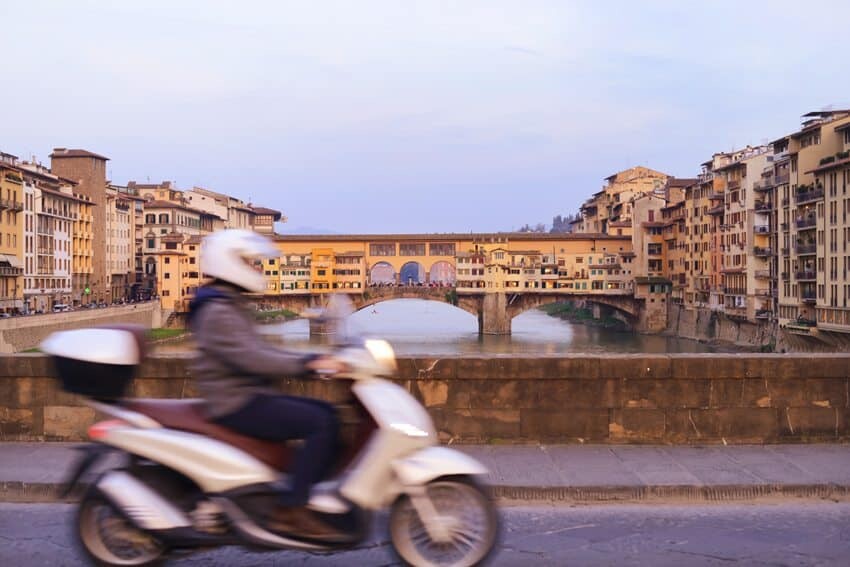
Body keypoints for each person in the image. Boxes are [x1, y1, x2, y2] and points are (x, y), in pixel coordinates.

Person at [188, 229, 345, 540]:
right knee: (322, 421)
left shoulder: (227, 303)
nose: (257, 270)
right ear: (229, 263)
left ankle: (298, 490)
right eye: (251, 263)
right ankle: (291, 510)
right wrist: (305, 364)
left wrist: (313, 357)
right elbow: (252, 358)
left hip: (248, 395)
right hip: (237, 402)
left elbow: (260, 351)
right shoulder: (218, 310)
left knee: (327, 413)